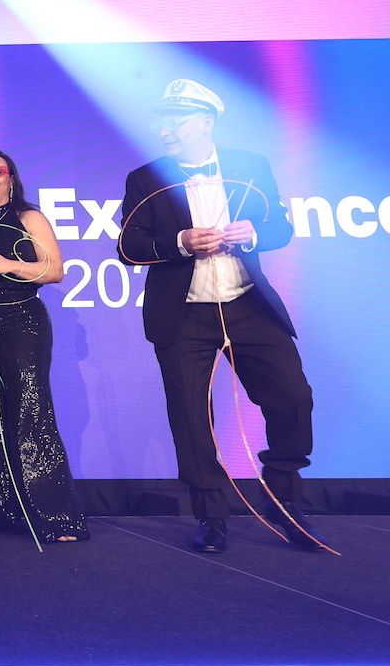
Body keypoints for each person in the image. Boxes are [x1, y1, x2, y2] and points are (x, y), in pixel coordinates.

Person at [118, 79, 324, 553]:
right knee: (192, 417)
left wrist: (254, 233)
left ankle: (283, 495)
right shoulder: (145, 178)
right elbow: (128, 247)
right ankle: (211, 513)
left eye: (175, 121)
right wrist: (179, 243)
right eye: (160, 121)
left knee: (293, 397)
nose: (164, 130)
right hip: (183, 313)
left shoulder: (251, 166)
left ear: (206, 122)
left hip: (248, 304)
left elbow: (280, 227)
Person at [0, 149, 88, 544]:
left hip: (22, 321)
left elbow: (55, 270)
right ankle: (1, 514)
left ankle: (56, 517)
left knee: (29, 413)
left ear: (11, 178)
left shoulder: (29, 217)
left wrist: (10, 265)